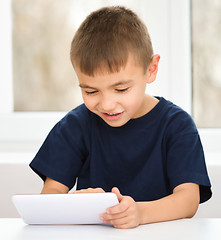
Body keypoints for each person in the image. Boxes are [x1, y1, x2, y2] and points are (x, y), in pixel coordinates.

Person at [30, 6, 212, 229]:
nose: (106, 104)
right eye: (91, 91)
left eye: (121, 89)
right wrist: (73, 204)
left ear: (151, 69)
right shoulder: (75, 126)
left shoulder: (177, 126)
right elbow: (49, 196)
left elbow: (188, 201)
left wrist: (139, 213)